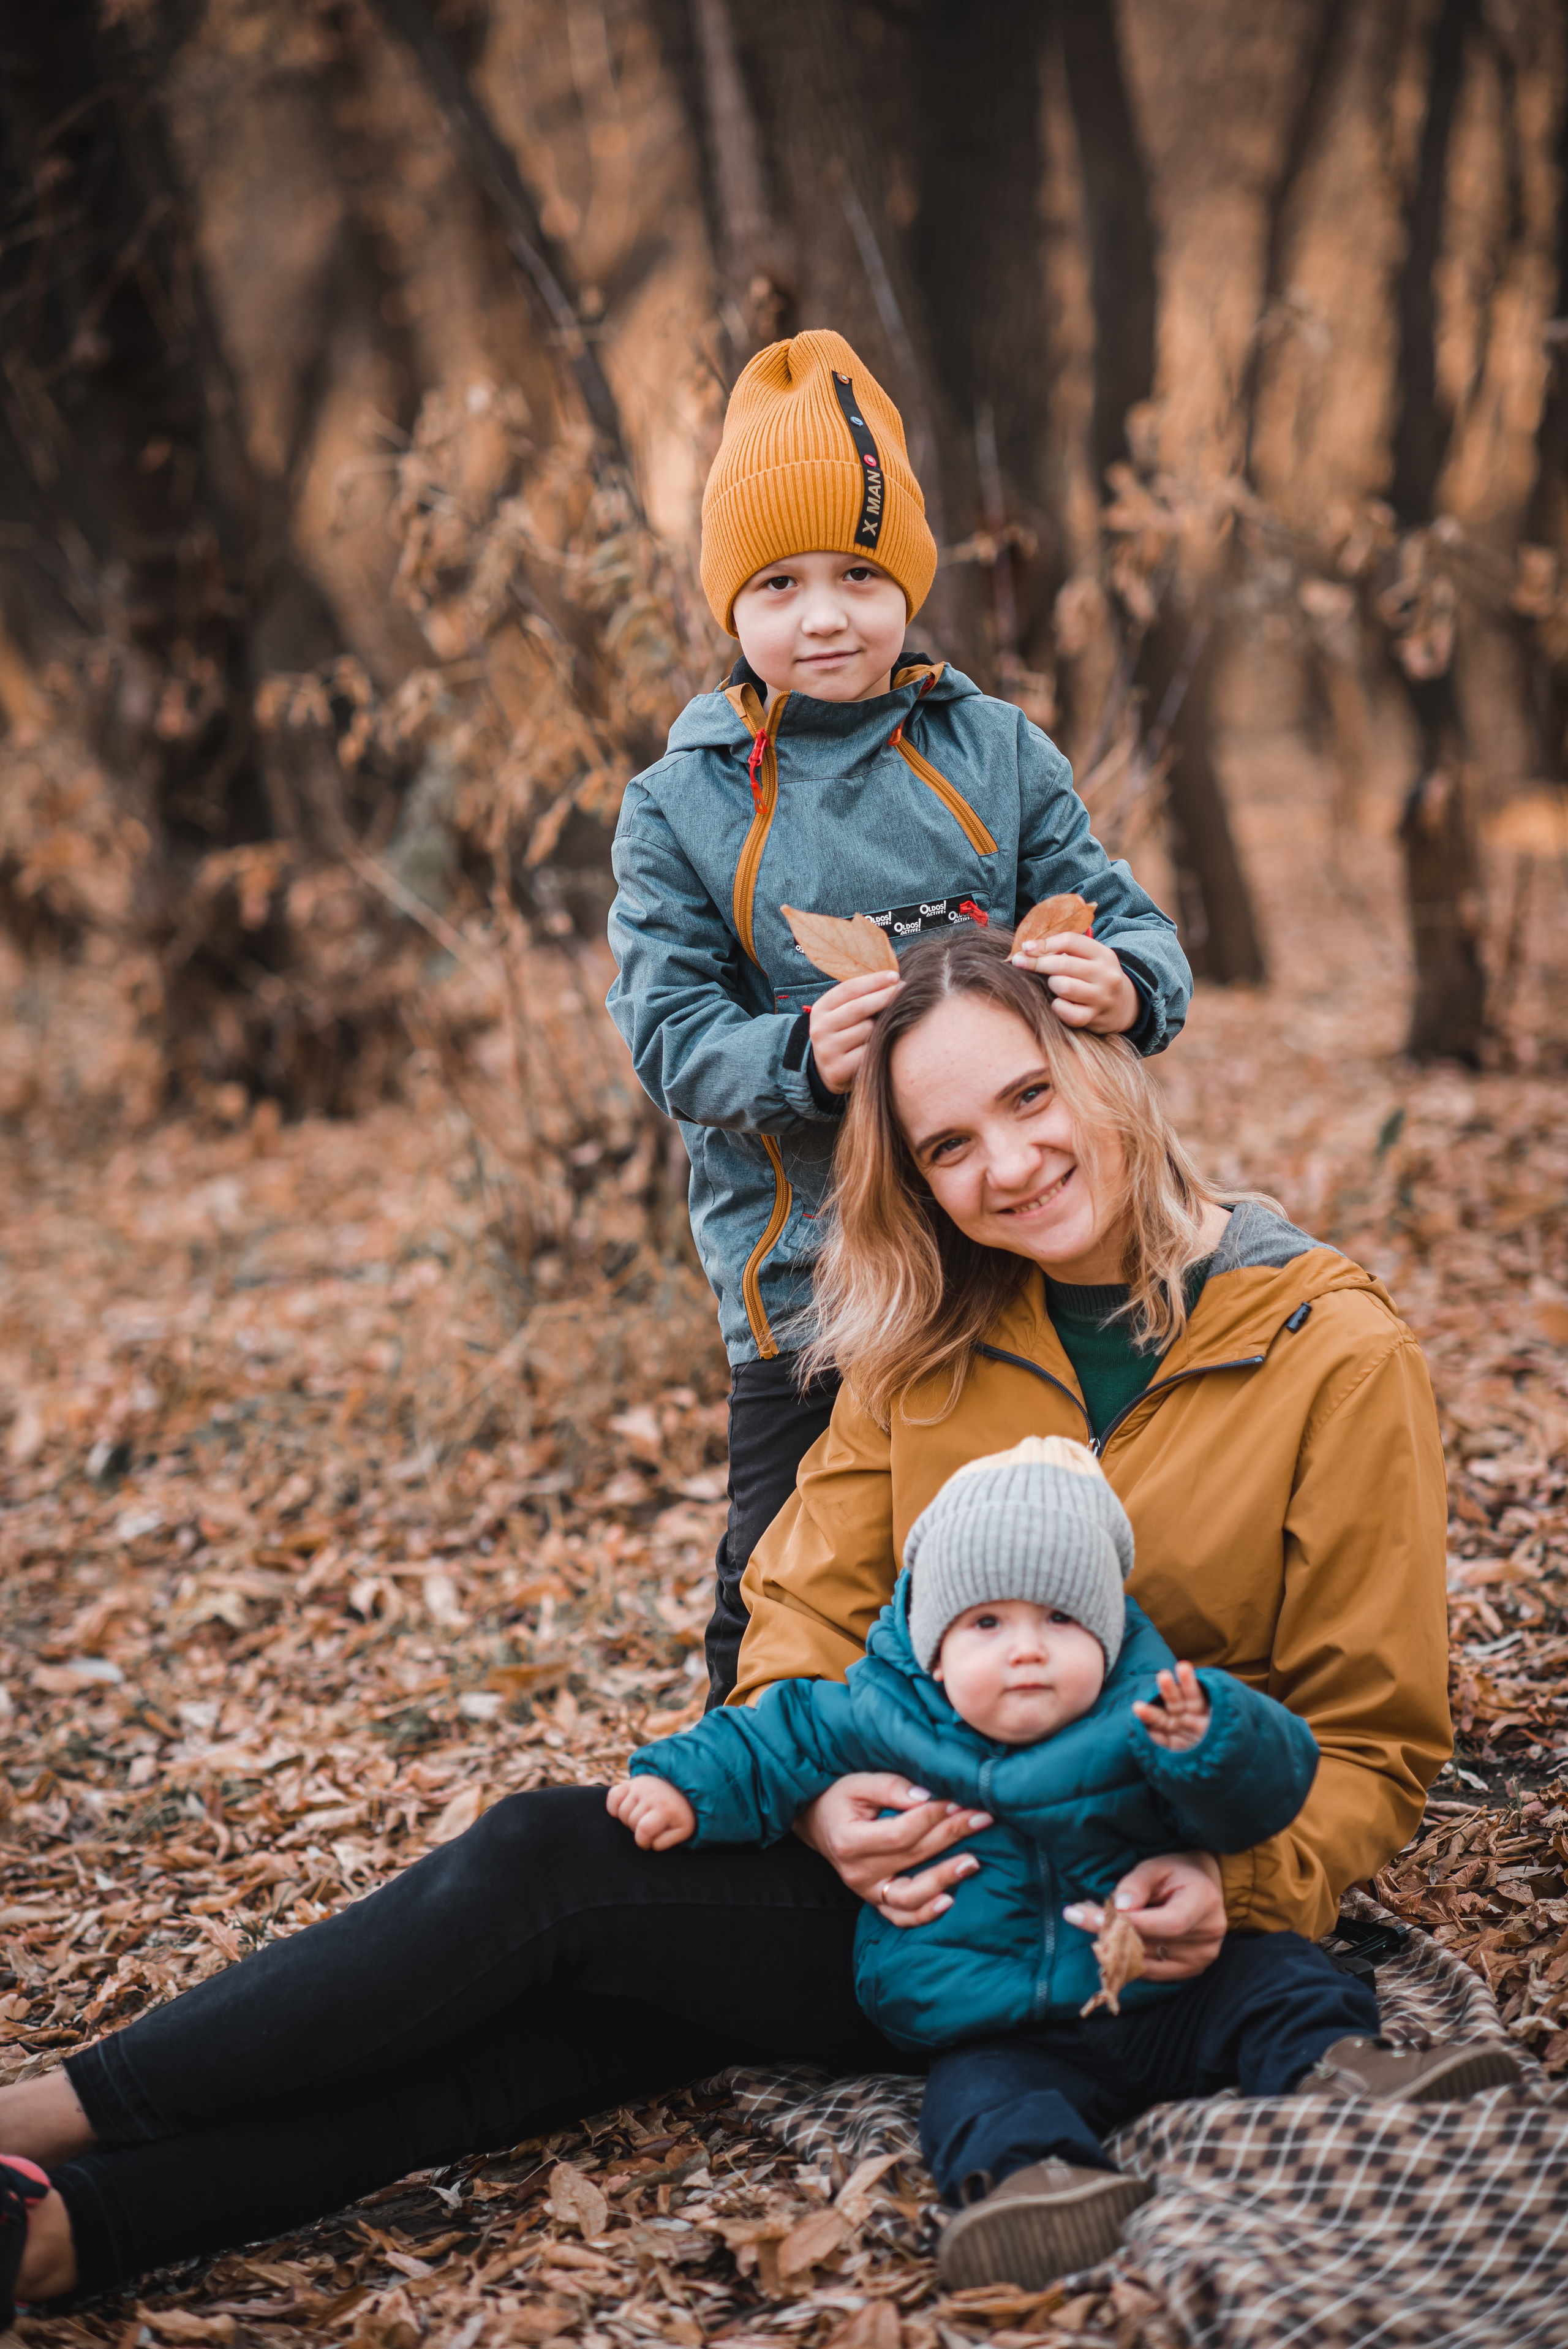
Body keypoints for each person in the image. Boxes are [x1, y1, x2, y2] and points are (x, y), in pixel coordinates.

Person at [0, 928, 1449, 2321]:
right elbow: (802, 1605)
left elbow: (1370, 1742)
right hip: (919, 1893)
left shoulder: (1326, 1351)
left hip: (1127, 1909)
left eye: (1028, 1097)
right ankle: (74, 2231)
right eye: (948, 1147)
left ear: (1103, 1062)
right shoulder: (937, 1335)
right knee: (573, 2013)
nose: (1006, 1166)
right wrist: (818, 1800)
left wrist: (1233, 1883)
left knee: (548, 1876)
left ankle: (47, 2119)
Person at [606, 325, 1191, 1703]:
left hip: (1019, 1232)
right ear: (730, 604)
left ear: (907, 584)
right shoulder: (683, 806)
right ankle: (754, 1763)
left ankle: (1056, 1750)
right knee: (789, 1563)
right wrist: (794, 1053)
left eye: (860, 575)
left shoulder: (992, 752)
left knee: (1031, 1533)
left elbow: (1125, 918)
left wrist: (1125, 984)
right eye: (781, 583)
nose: (825, 616)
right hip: (812, 1281)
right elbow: (667, 1033)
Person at [611, 1439, 1507, 2288]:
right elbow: (768, 1740)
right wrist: (679, 1784)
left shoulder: (1149, 1712)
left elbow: (1266, 1791)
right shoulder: (880, 1714)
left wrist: (1214, 1743)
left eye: (1060, 1618)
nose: (1027, 1647)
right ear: (933, 1642)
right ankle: (1034, 2186)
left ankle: (1343, 2064)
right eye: (987, 1621)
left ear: (1107, 1635)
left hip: (1167, 1989)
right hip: (998, 2021)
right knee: (977, 2101)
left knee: (1279, 1975)